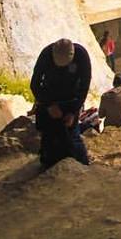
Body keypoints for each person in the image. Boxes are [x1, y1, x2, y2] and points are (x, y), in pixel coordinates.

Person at [30, 37, 91, 167]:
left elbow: (84, 87)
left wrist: (74, 112)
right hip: (49, 97)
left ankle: (81, 165)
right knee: (48, 133)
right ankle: (47, 161)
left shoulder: (81, 56)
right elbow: (35, 84)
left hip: (70, 99)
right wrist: (48, 105)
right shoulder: (46, 55)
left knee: (72, 134)